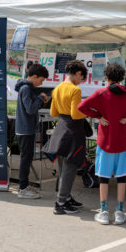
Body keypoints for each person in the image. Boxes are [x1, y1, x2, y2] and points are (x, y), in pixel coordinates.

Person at [78, 63, 126, 225]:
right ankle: (120, 211)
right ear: (122, 78)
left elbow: (81, 107)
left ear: (106, 77)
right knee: (121, 178)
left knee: (104, 178)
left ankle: (104, 211)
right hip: (122, 142)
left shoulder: (100, 93)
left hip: (104, 142)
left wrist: (99, 116)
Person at [43, 60, 88, 215]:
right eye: (82, 78)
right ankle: (61, 202)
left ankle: (66, 198)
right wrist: (89, 110)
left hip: (61, 128)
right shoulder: (75, 90)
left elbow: (54, 113)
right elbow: (76, 114)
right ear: (78, 73)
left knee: (63, 167)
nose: (81, 81)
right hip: (73, 131)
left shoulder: (57, 88)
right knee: (70, 167)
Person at [15, 64, 50, 199]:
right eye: (41, 80)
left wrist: (40, 100)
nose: (41, 83)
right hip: (25, 129)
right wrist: (40, 98)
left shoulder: (27, 88)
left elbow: (31, 107)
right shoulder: (26, 89)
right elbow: (30, 109)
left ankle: (25, 185)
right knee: (26, 159)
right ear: (34, 76)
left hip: (27, 128)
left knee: (28, 158)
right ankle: (23, 189)